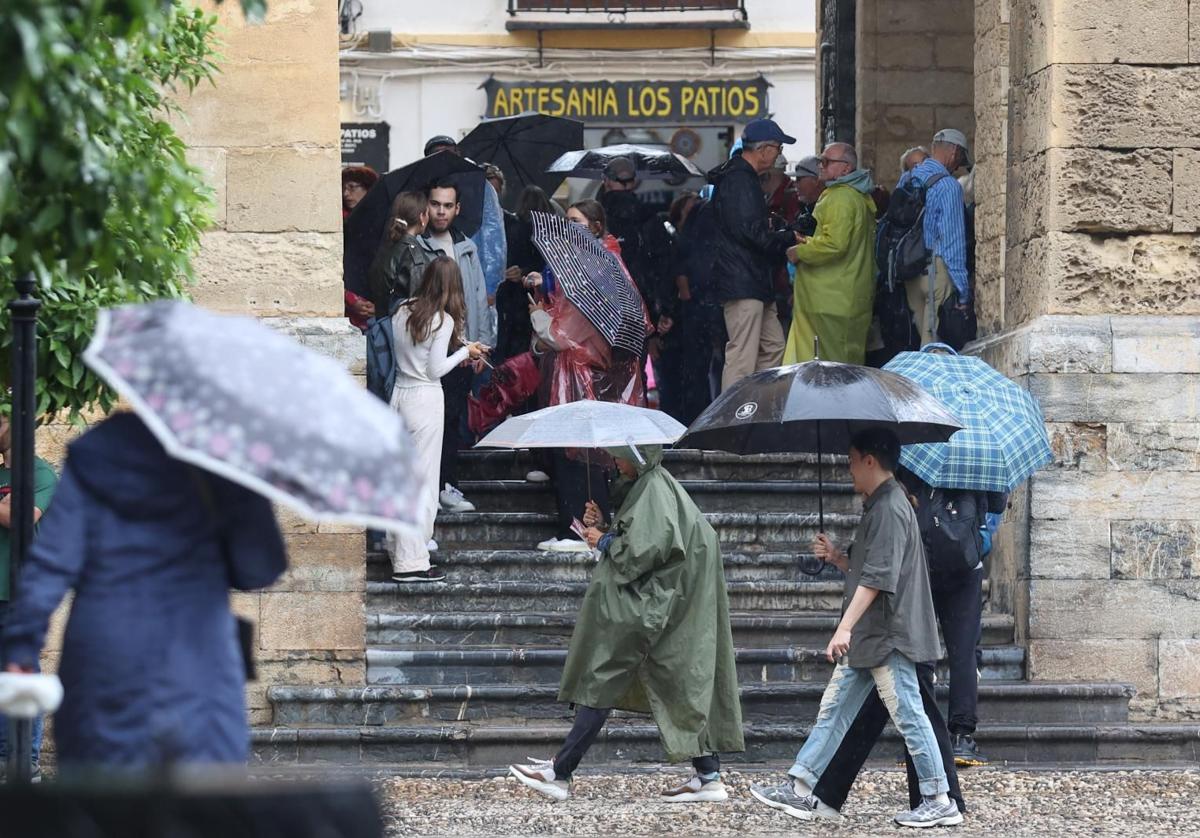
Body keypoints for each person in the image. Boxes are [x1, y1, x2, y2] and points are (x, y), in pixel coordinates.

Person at [2, 412, 287, 769]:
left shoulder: (99, 452)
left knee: (102, 808)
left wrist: (21, 647)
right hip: (198, 660)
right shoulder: (224, 454)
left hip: (104, 656)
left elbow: (51, 562)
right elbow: (257, 570)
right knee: (203, 808)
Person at [750, 428, 961, 829]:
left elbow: (880, 579)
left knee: (909, 714)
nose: (848, 468)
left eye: (851, 459)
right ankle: (799, 786)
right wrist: (837, 559)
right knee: (833, 711)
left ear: (869, 460)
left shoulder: (889, 508)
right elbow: (872, 569)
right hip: (872, 634)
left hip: (886, 635)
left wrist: (843, 628)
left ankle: (938, 798)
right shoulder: (881, 504)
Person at [509, 445, 743, 803]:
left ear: (637, 457)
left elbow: (643, 552)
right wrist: (603, 524)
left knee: (604, 676)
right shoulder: (653, 486)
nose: (614, 463)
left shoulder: (653, 489)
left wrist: (602, 539)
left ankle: (560, 772)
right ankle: (708, 774)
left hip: (651, 606)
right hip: (668, 604)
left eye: (619, 457)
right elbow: (647, 539)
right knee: (674, 683)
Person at [527, 200, 647, 553]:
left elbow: (561, 334)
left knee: (578, 453)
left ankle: (578, 531)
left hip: (580, 377)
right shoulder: (596, 267)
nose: (570, 227)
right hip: (585, 374)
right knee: (583, 452)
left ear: (595, 226)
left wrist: (537, 315)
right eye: (567, 221)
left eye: (576, 222)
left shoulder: (595, 273)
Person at [388, 257, 490, 583]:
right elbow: (434, 370)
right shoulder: (442, 320)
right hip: (425, 398)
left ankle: (397, 548)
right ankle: (413, 561)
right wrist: (465, 352)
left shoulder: (401, 310)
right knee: (424, 484)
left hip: (398, 396)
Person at [420, 179, 496, 515]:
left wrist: (481, 344)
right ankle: (429, 488)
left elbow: (477, 296)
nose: (441, 211)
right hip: (427, 348)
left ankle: (445, 484)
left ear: (457, 209)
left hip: (461, 350)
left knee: (452, 420)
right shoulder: (419, 246)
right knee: (428, 422)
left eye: (447, 205)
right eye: (435, 204)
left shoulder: (466, 246)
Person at [707, 118, 799, 390]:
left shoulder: (742, 180)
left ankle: (754, 405)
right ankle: (733, 422)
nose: (779, 154)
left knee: (772, 346)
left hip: (753, 279)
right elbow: (752, 233)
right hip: (743, 279)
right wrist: (788, 236)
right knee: (742, 355)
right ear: (764, 149)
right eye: (779, 149)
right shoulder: (740, 181)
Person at [783, 142, 877, 365]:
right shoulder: (858, 196)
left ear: (846, 168)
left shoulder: (840, 197)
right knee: (846, 366)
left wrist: (800, 251)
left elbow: (836, 244)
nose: (820, 166)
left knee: (829, 371)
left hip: (830, 298)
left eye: (826, 161)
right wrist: (810, 242)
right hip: (846, 296)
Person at [0, 412, 56, 780]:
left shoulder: (40, 473)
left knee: (21, 673)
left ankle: (25, 761)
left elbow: (20, 518)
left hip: (18, 591)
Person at [897, 129, 972, 346]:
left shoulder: (908, 178)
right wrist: (963, 291)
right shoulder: (949, 187)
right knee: (935, 348)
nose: (958, 166)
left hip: (910, 273)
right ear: (955, 152)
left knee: (919, 342)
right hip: (936, 271)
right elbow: (952, 242)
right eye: (960, 159)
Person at [367, 190, 434, 316]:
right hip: (404, 328)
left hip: (382, 324)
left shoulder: (387, 247)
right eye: (427, 213)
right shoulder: (415, 256)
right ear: (422, 217)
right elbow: (418, 303)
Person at [342, 166, 380, 332]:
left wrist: (381, 305)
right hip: (347, 308)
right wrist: (350, 299)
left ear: (368, 189)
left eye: (352, 187)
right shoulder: (339, 221)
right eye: (343, 188)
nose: (346, 194)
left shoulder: (382, 221)